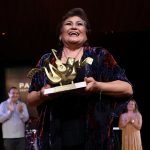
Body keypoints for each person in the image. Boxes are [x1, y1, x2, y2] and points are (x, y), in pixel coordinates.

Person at [27, 8, 133, 150]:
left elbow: (127, 89)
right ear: (60, 34)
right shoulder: (47, 60)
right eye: (68, 23)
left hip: (95, 137)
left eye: (80, 24)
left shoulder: (99, 55)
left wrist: (98, 86)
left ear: (86, 34)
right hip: (54, 139)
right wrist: (42, 94)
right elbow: (30, 99)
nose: (74, 26)